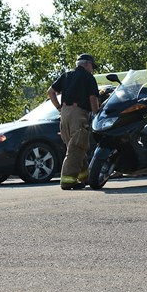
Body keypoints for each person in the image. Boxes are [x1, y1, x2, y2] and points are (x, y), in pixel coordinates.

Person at [48, 54, 100, 190]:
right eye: (92, 67)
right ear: (87, 64)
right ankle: (67, 181)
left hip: (64, 114)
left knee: (75, 146)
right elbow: (93, 97)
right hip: (79, 114)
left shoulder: (66, 75)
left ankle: (84, 177)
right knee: (77, 147)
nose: (92, 70)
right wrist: (96, 114)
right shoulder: (88, 77)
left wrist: (59, 108)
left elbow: (51, 92)